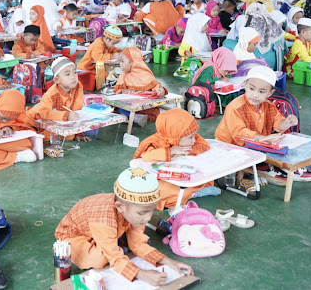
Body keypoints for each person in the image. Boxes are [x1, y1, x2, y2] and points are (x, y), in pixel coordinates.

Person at [54, 167, 193, 286]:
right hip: (74, 236)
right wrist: (141, 274)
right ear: (120, 207)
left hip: (103, 231)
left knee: (136, 242)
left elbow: (139, 244)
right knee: (100, 259)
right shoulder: (104, 220)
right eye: (142, 213)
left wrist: (169, 262)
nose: (148, 218)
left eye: (152, 210)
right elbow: (115, 259)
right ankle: (117, 242)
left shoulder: (133, 212)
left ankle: (117, 242)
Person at [133, 109, 215, 210]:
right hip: (160, 179)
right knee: (163, 191)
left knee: (205, 177)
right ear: (175, 136)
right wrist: (171, 151)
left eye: (194, 136)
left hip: (181, 175)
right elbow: (147, 156)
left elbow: (204, 145)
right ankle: (194, 194)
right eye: (190, 137)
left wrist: (188, 150)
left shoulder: (186, 135)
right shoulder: (154, 142)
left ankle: (191, 193)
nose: (194, 140)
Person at [27, 57, 88, 139]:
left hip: (57, 121)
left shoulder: (78, 86)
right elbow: (43, 112)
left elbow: (77, 109)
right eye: (67, 74)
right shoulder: (51, 94)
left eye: (75, 72)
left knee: (69, 135)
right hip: (34, 121)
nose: (73, 77)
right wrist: (66, 116)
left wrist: (78, 133)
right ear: (56, 79)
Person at [114, 47, 167, 125]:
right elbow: (117, 90)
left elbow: (155, 86)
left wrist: (160, 89)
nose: (120, 64)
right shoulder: (124, 74)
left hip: (143, 106)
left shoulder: (145, 74)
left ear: (133, 62)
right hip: (129, 105)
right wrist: (123, 91)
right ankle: (135, 117)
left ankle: (132, 116)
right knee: (115, 106)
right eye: (120, 61)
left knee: (152, 111)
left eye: (122, 61)